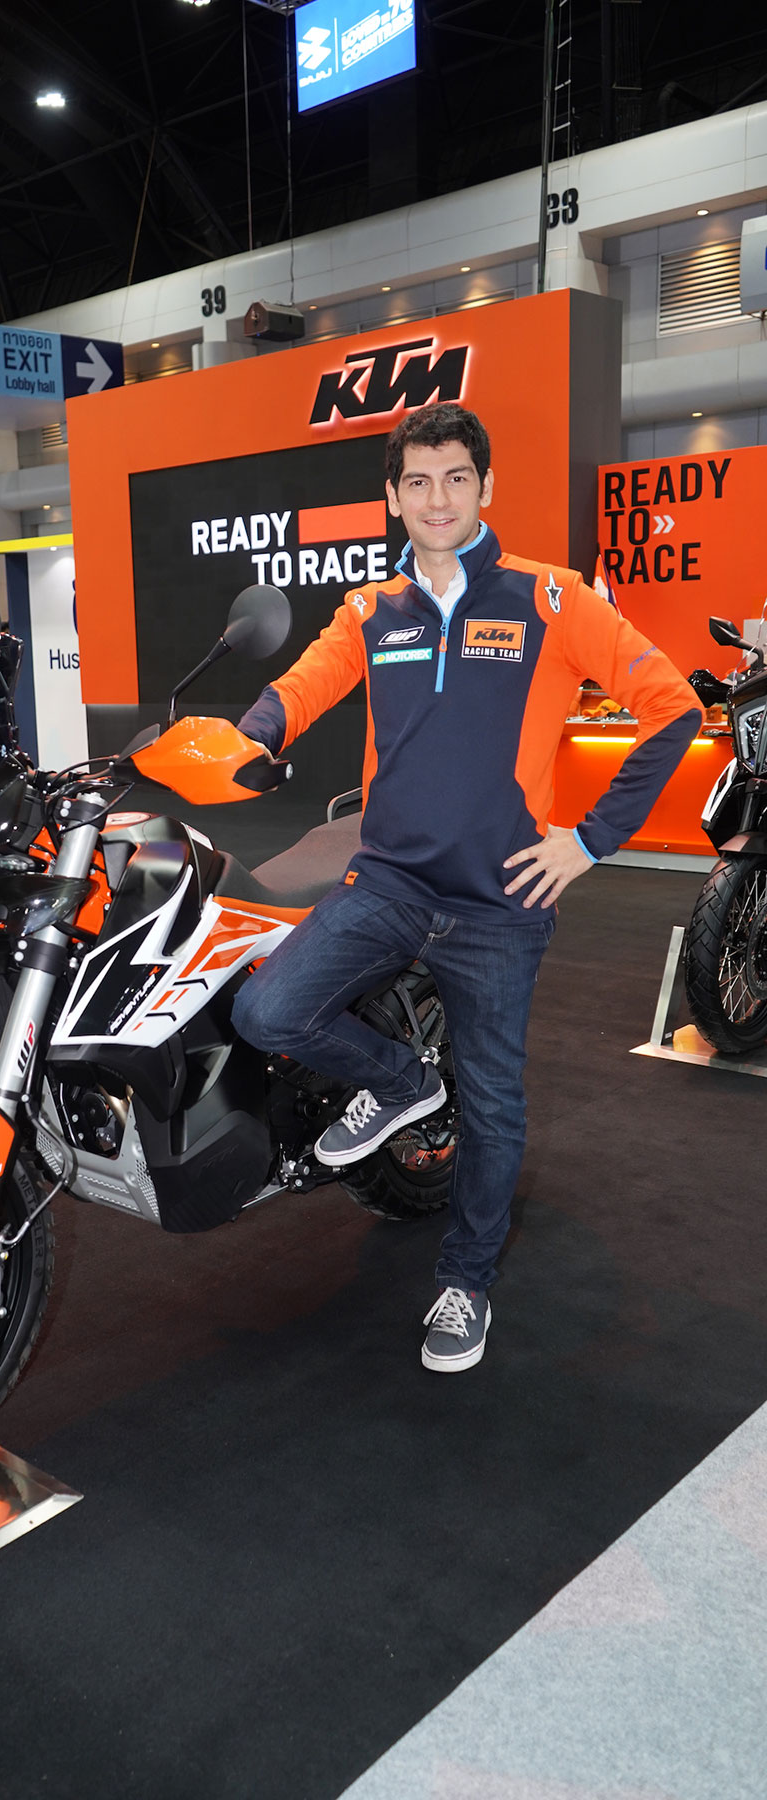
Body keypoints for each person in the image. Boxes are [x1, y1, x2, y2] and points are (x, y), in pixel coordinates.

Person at [231, 401, 700, 1374]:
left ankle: (466, 1281)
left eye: (455, 478)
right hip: (390, 882)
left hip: (500, 905)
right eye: (418, 481)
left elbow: (672, 708)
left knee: (492, 1106)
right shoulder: (372, 610)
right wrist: (246, 738)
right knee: (268, 1009)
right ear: (393, 497)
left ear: (486, 488)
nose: (437, 498)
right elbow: (302, 688)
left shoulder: (551, 598)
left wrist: (590, 840)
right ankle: (403, 1081)